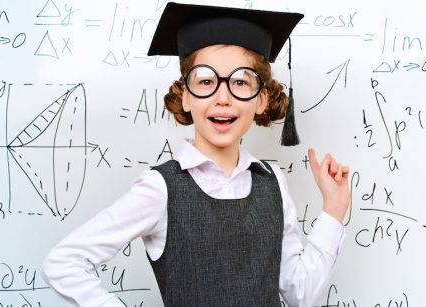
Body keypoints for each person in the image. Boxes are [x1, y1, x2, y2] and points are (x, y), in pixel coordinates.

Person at [41, 2, 351, 307]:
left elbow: (300, 294)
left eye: (240, 82)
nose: (223, 98)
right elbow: (64, 262)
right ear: (186, 96)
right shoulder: (160, 188)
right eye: (206, 81)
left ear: (261, 100)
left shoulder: (273, 183)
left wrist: (334, 209)